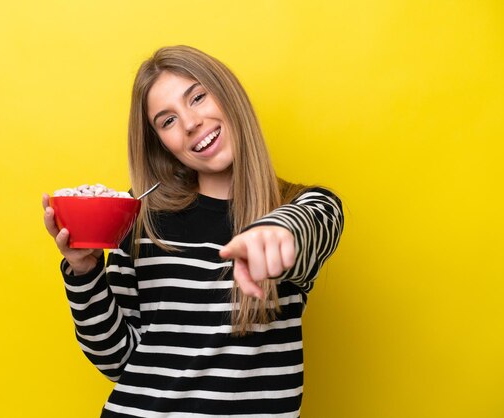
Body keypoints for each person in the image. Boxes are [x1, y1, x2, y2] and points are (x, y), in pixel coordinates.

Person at [42, 45, 344, 417]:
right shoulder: (141, 219)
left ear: (228, 93)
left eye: (198, 97)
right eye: (167, 121)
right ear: (162, 145)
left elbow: (310, 226)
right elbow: (118, 360)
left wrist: (274, 231)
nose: (189, 123)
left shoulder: (302, 207)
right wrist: (85, 272)